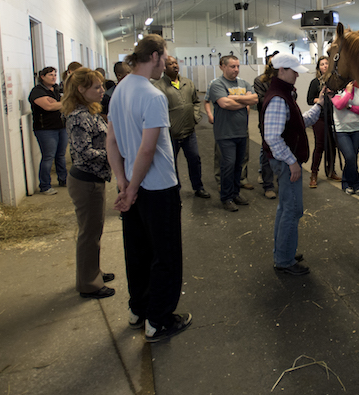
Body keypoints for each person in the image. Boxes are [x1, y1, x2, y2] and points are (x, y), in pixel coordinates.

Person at [106, 34, 192, 343]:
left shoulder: (118, 91)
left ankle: (137, 309)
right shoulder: (153, 96)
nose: (165, 64)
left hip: (133, 184)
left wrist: (123, 181)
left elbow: (112, 141)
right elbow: (146, 150)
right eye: (164, 57)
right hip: (157, 187)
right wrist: (132, 188)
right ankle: (158, 320)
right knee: (165, 255)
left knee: (138, 251)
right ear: (155, 56)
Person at [261, 53, 324, 276]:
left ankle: (283, 251)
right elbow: (272, 136)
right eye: (293, 70)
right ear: (281, 71)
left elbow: (298, 122)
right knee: (293, 209)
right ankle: (284, 260)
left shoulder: (283, 94)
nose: (297, 74)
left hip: (284, 159)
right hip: (286, 161)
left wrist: (319, 106)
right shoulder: (279, 98)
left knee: (285, 207)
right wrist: (292, 162)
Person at [61, 67, 115, 299]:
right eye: (97, 87)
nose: (102, 90)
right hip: (86, 181)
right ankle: (88, 284)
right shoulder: (78, 117)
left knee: (94, 231)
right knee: (89, 233)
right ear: (81, 90)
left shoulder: (89, 111)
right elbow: (83, 151)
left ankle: (93, 272)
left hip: (94, 179)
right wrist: (113, 154)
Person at [153, 56, 211, 199]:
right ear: (164, 68)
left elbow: (196, 101)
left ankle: (198, 187)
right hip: (170, 133)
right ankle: (174, 188)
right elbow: (158, 110)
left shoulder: (187, 83)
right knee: (171, 162)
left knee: (194, 159)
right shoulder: (158, 87)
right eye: (170, 64)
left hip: (189, 131)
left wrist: (196, 117)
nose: (174, 66)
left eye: (175, 63)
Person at [207, 55, 258, 211]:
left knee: (238, 165)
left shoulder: (244, 83)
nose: (236, 69)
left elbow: (255, 98)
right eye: (232, 66)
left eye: (237, 66)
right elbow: (224, 103)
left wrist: (234, 97)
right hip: (225, 134)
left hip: (241, 132)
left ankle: (235, 193)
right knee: (228, 165)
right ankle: (226, 197)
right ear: (223, 66)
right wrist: (244, 101)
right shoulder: (217, 84)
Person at [29, 66, 68, 195]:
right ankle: (45, 185)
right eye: (50, 75)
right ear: (42, 77)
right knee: (48, 157)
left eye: (55, 74)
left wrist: (57, 103)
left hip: (61, 127)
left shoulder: (57, 89)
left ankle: (63, 179)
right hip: (46, 129)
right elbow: (48, 106)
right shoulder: (37, 91)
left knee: (60, 155)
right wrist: (61, 103)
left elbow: (62, 103)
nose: (54, 77)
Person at [306, 56, 341, 188]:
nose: (325, 66)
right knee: (320, 145)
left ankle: (331, 170)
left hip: (333, 117)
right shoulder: (315, 82)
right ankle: (314, 173)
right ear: (318, 67)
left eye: (327, 63)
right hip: (319, 117)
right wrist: (322, 99)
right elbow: (309, 100)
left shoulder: (335, 82)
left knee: (332, 145)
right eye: (322, 64)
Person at [332, 81, 359, 195]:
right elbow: (339, 105)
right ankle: (356, 183)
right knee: (350, 156)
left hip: (357, 128)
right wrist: (347, 92)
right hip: (341, 130)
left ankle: (346, 182)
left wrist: (350, 106)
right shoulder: (335, 93)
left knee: (352, 157)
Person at [253, 57, 279, 199]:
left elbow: (294, 94)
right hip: (267, 122)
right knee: (267, 154)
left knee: (281, 154)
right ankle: (268, 185)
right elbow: (261, 100)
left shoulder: (283, 80)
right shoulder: (260, 81)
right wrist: (278, 97)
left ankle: (281, 182)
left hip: (283, 122)